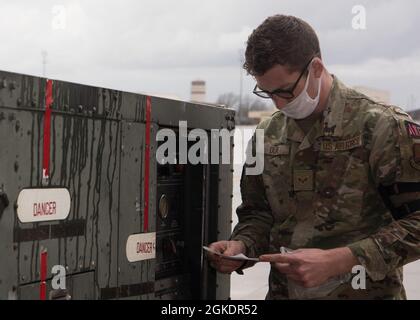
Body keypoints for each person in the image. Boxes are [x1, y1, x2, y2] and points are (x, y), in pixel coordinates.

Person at [207, 14, 420, 299]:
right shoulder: (267, 134)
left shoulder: (381, 127)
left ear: (316, 68)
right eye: (267, 93)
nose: (278, 103)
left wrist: (342, 259)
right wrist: (242, 246)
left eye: (285, 91)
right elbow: (258, 213)